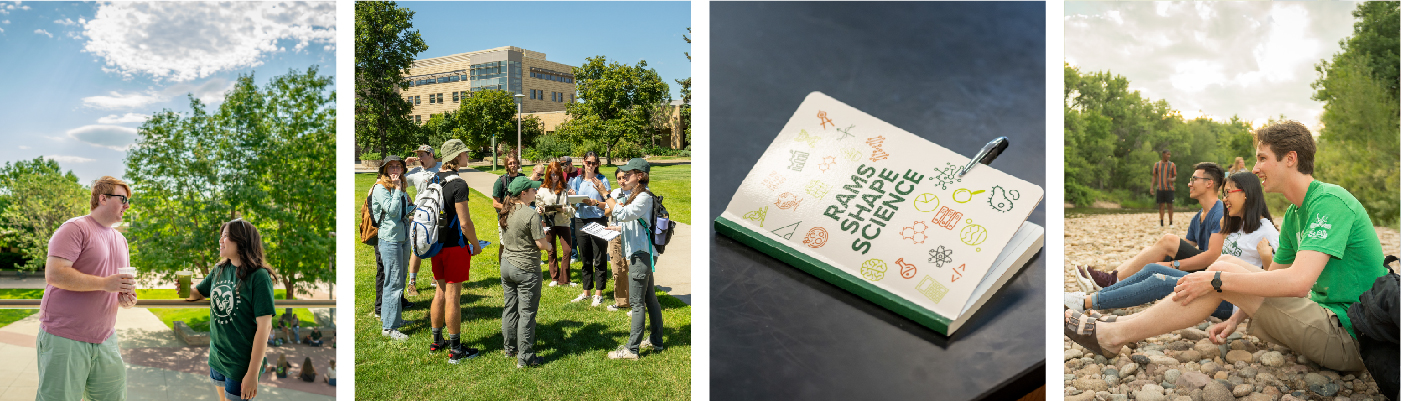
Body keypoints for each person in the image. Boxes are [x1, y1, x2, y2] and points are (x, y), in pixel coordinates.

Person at [1064, 121, 1387, 373]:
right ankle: (1116, 328)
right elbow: (1271, 279)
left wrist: (1216, 282)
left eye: (1262, 158)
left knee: (1218, 272)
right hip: (1327, 323)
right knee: (1222, 268)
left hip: (1353, 339)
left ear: (1290, 159)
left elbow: (1297, 283)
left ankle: (1111, 335)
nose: (1255, 168)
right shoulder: (1294, 214)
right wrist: (1233, 320)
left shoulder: (1329, 202)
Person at [1066, 173, 1278, 320]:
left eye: (1228, 193)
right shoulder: (1236, 225)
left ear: (1246, 193)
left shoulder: (1266, 230)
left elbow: (1276, 283)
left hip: (1229, 300)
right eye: (1223, 194)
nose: (1224, 199)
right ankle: (1099, 295)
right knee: (1153, 269)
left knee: (1160, 282)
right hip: (1212, 284)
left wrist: (1267, 259)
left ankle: (1084, 303)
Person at [38, 176, 138, 400]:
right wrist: (105, 284)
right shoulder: (75, 228)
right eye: (123, 199)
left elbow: (117, 285)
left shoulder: (121, 240)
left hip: (106, 338)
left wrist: (126, 298)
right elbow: (54, 274)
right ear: (103, 198)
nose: (127, 205)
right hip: (64, 337)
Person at [1076, 162, 1227, 288]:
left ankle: (1110, 281)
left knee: (1169, 240)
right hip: (1202, 266)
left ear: (1209, 183)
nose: (1189, 184)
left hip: (1214, 273)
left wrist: (1173, 265)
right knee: (1154, 249)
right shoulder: (1198, 217)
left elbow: (1213, 256)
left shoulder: (1219, 212)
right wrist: (1156, 253)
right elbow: (1184, 246)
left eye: (1194, 179)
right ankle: (1109, 278)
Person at [187, 219, 277, 401]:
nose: (220, 240)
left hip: (241, 364)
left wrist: (252, 373)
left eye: (226, 236)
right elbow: (197, 293)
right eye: (221, 236)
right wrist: (185, 289)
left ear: (242, 240)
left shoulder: (259, 277)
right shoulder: (219, 270)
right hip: (217, 357)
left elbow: (264, 327)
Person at [428, 139, 484, 363]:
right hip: (454, 247)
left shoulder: (433, 179)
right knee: (453, 296)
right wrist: (476, 245)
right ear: (456, 157)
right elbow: (465, 223)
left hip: (435, 245)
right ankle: (456, 349)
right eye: (464, 153)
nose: (467, 156)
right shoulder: (459, 184)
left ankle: (436, 340)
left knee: (440, 292)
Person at [607, 159, 664, 360]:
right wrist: (615, 229)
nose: (623, 178)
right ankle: (657, 341)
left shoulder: (644, 198)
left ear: (640, 176)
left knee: (637, 303)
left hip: (641, 255)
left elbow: (622, 213)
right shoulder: (637, 195)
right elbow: (635, 224)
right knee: (650, 299)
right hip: (642, 253)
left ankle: (632, 349)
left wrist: (607, 195)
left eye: (628, 174)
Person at [500, 176, 548, 368]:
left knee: (510, 308)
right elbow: (541, 244)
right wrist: (549, 244)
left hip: (507, 265)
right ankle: (526, 357)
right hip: (526, 268)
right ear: (523, 193)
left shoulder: (506, 210)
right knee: (527, 312)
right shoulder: (530, 214)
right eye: (533, 190)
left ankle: (510, 348)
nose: (535, 192)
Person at [373, 155, 413, 340]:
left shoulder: (401, 186)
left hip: (403, 237)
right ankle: (389, 327)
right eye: (391, 167)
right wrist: (397, 190)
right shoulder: (380, 188)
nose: (395, 170)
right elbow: (392, 210)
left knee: (401, 279)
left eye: (398, 166)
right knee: (393, 282)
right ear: (385, 171)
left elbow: (402, 212)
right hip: (390, 240)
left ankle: (395, 318)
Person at [569, 152, 612, 306]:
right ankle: (586, 292)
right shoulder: (577, 180)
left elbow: (609, 204)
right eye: (588, 162)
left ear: (597, 164)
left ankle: (598, 294)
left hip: (598, 219)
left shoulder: (602, 180)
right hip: (580, 219)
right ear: (583, 162)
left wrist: (594, 203)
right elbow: (573, 205)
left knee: (599, 257)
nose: (591, 165)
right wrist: (572, 198)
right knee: (585, 257)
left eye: (594, 163)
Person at [404, 144, 443, 296]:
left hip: (438, 212)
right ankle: (412, 283)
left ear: (431, 155)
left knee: (438, 243)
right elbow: (398, 183)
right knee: (416, 247)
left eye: (422, 155)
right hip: (420, 214)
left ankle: (436, 277)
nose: (419, 159)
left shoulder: (441, 168)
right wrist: (404, 165)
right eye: (418, 156)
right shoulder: (416, 172)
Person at [536, 162, 575, 288]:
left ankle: (565, 279)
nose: (555, 177)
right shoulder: (542, 189)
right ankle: (554, 277)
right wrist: (540, 210)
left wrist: (565, 210)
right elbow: (538, 205)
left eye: (557, 174)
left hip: (563, 222)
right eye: (552, 174)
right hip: (548, 222)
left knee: (567, 250)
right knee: (551, 250)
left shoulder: (566, 188)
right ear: (548, 174)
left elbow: (573, 210)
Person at [605, 167, 630, 312]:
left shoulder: (636, 193)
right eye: (619, 178)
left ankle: (636, 302)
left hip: (630, 233)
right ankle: (621, 301)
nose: (622, 181)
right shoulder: (615, 193)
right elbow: (606, 211)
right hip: (615, 234)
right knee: (617, 268)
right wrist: (615, 206)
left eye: (624, 177)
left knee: (632, 268)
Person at [491, 154, 523, 262]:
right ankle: (503, 270)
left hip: (521, 218)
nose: (513, 165)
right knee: (504, 244)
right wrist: (511, 208)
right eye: (510, 163)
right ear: (506, 165)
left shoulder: (523, 179)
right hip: (505, 218)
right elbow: (495, 204)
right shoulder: (501, 181)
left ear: (518, 164)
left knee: (520, 244)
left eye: (514, 162)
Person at [1152, 149, 1177, 227]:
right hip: (1160, 188)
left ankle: (1170, 223)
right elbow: (1154, 176)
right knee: (1161, 205)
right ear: (1163, 154)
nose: (1168, 156)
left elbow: (1175, 176)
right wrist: (1151, 187)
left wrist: (1172, 179)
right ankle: (1162, 223)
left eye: (1169, 155)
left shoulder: (1172, 165)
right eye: (1167, 154)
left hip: (1169, 188)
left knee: (1170, 205)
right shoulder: (1157, 165)